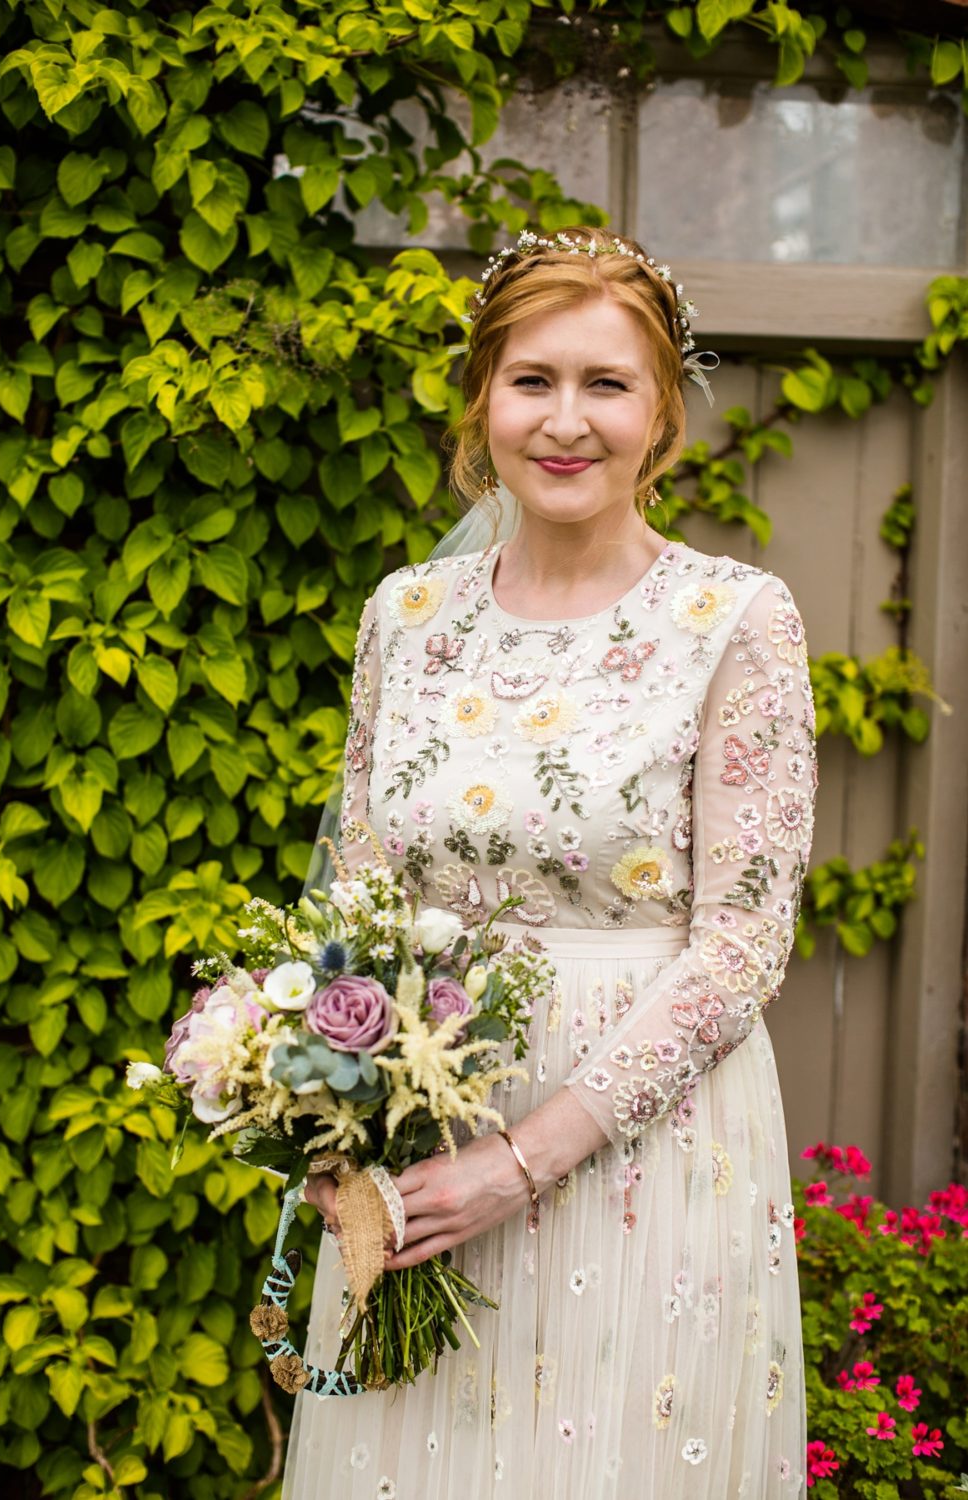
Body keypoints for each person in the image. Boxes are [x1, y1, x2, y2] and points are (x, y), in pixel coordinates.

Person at [282, 225, 818, 1499]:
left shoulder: (736, 619)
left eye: (606, 383)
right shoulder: (403, 613)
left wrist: (521, 1160)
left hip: (641, 1145)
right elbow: (359, 895)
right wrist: (326, 1103)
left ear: (662, 413)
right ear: (482, 397)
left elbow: (740, 946)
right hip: (420, 1135)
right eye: (532, 381)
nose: (564, 421)